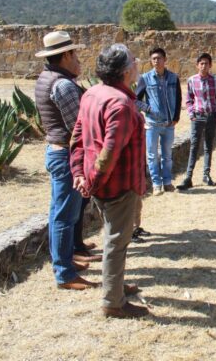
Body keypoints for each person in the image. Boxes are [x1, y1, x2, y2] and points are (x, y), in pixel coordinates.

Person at [70, 44, 147, 318]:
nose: (137, 64)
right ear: (125, 71)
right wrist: (89, 180)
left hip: (101, 184)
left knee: (114, 237)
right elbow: (109, 153)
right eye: (134, 61)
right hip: (118, 186)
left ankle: (115, 285)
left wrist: (80, 175)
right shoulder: (121, 104)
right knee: (117, 242)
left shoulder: (92, 94)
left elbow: (77, 138)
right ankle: (113, 302)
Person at [34, 31, 100, 291]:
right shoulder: (62, 85)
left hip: (57, 151)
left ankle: (65, 259)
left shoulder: (46, 78)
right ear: (65, 56)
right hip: (66, 154)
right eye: (74, 54)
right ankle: (64, 272)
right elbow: (78, 127)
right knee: (65, 215)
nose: (78, 59)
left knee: (58, 212)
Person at [135, 48, 181, 196]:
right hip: (152, 124)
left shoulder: (173, 78)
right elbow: (135, 99)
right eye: (153, 58)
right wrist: (147, 108)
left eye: (159, 58)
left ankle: (167, 182)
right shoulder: (145, 78)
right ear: (151, 61)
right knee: (152, 155)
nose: (156, 61)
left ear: (165, 59)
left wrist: (176, 117)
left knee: (167, 155)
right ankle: (156, 184)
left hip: (168, 124)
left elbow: (179, 98)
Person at [177, 53, 216, 190]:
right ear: (197, 65)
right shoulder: (192, 80)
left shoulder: (215, 80)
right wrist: (191, 114)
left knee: (208, 146)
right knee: (194, 146)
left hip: (211, 116)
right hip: (198, 116)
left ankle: (206, 174)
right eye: (201, 63)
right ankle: (188, 177)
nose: (204, 66)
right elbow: (189, 99)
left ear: (210, 65)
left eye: (206, 63)